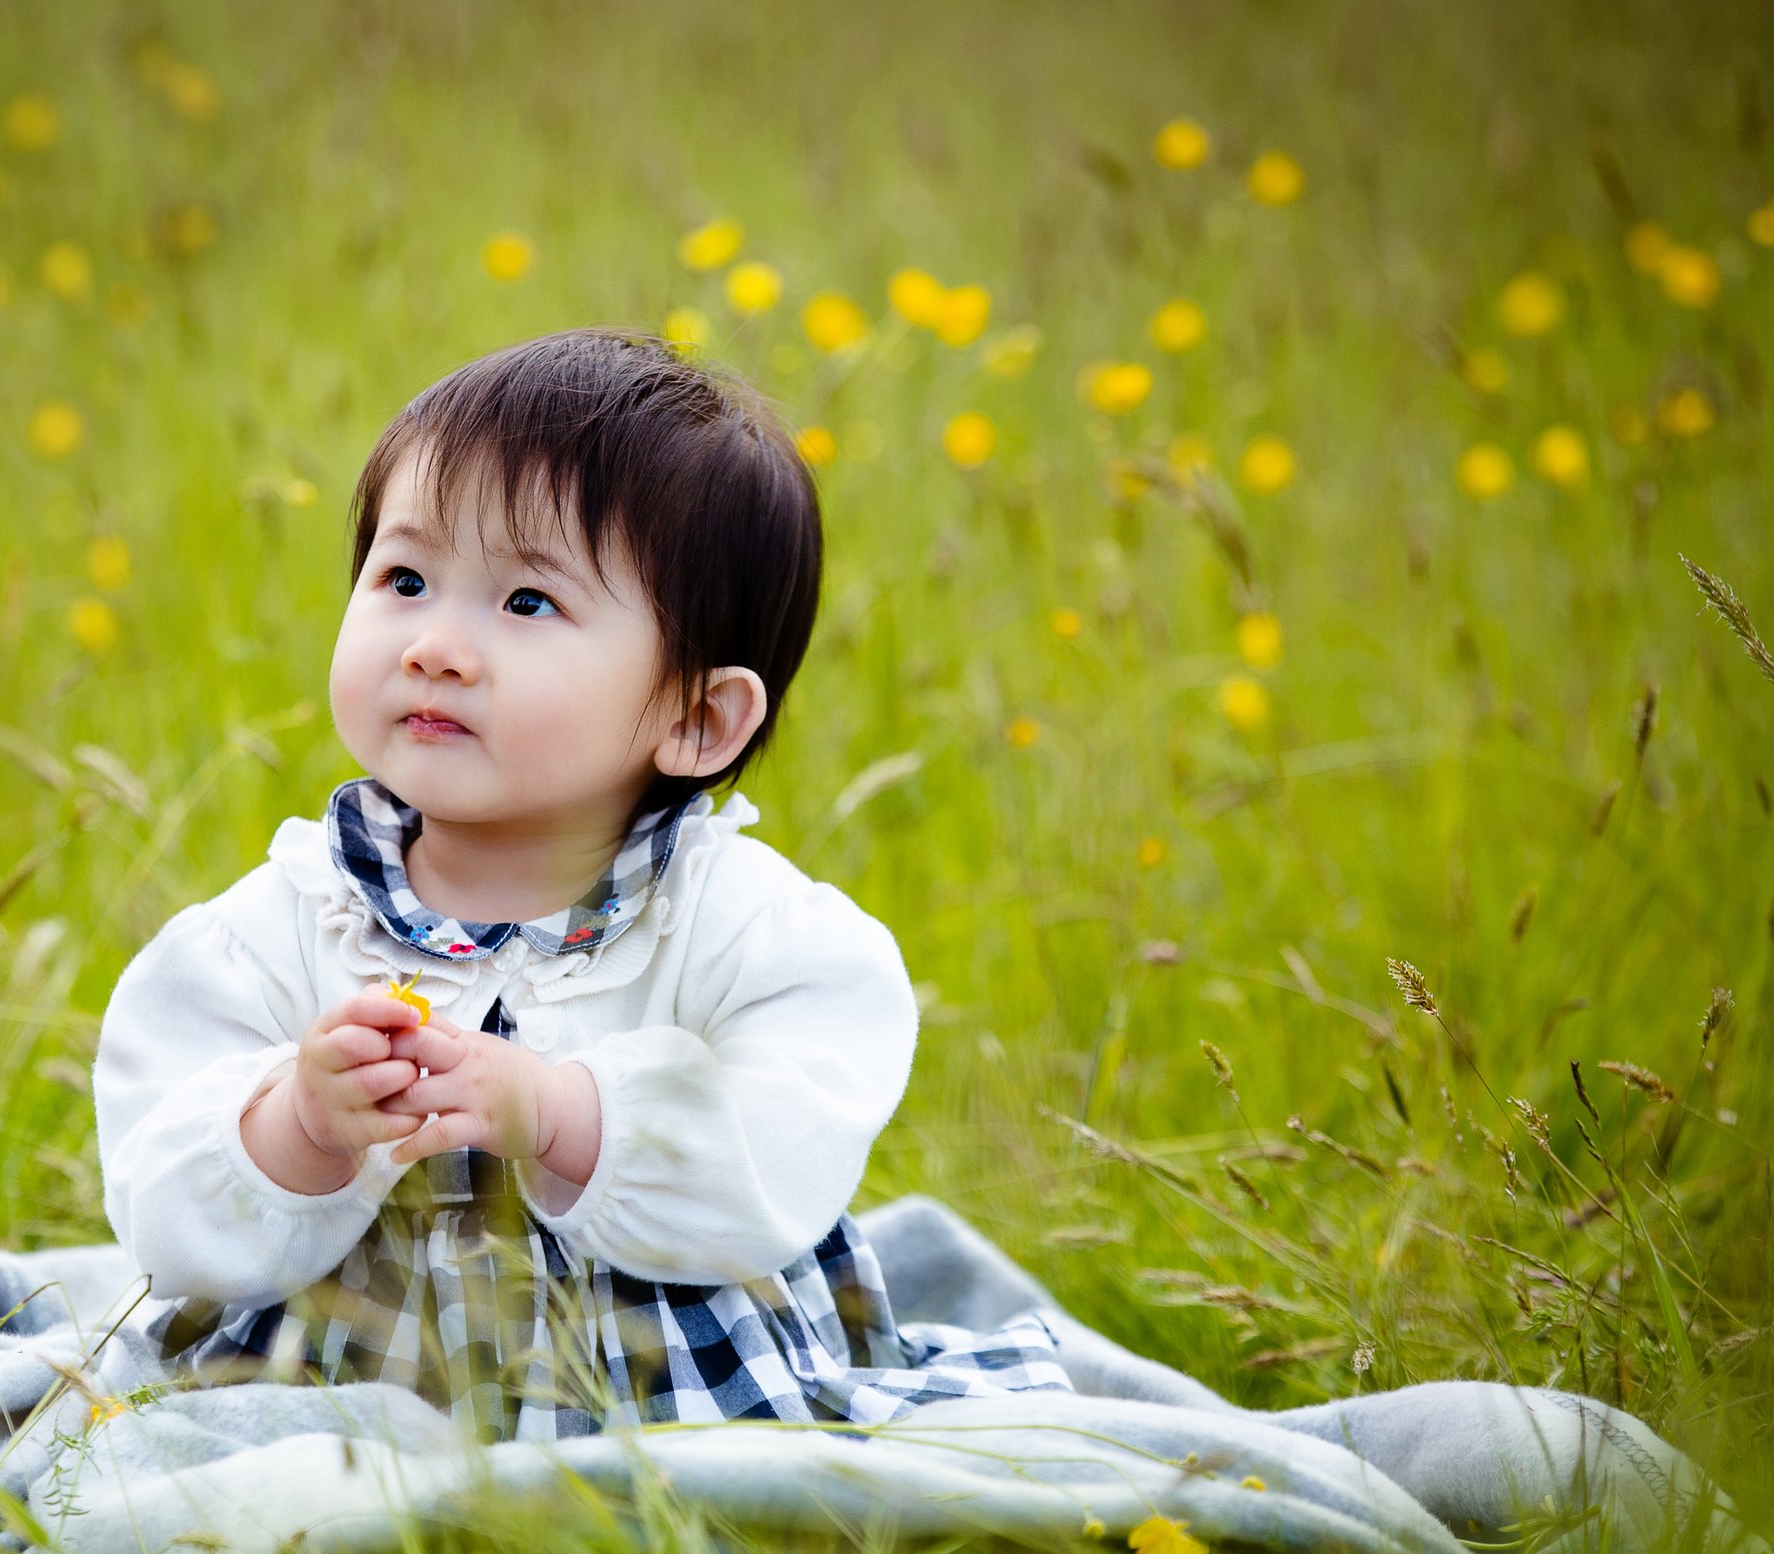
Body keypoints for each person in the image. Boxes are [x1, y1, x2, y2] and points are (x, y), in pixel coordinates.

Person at [93, 326, 1068, 1443]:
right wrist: (302, 1123)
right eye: (405, 578)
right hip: (325, 1400)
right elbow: (162, 1205)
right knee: (172, 1488)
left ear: (696, 718)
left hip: (669, 1403)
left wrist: (562, 1115)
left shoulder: (741, 930)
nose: (436, 646)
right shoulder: (289, 920)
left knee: (784, 1528)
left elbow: (781, 1153)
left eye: (525, 603)